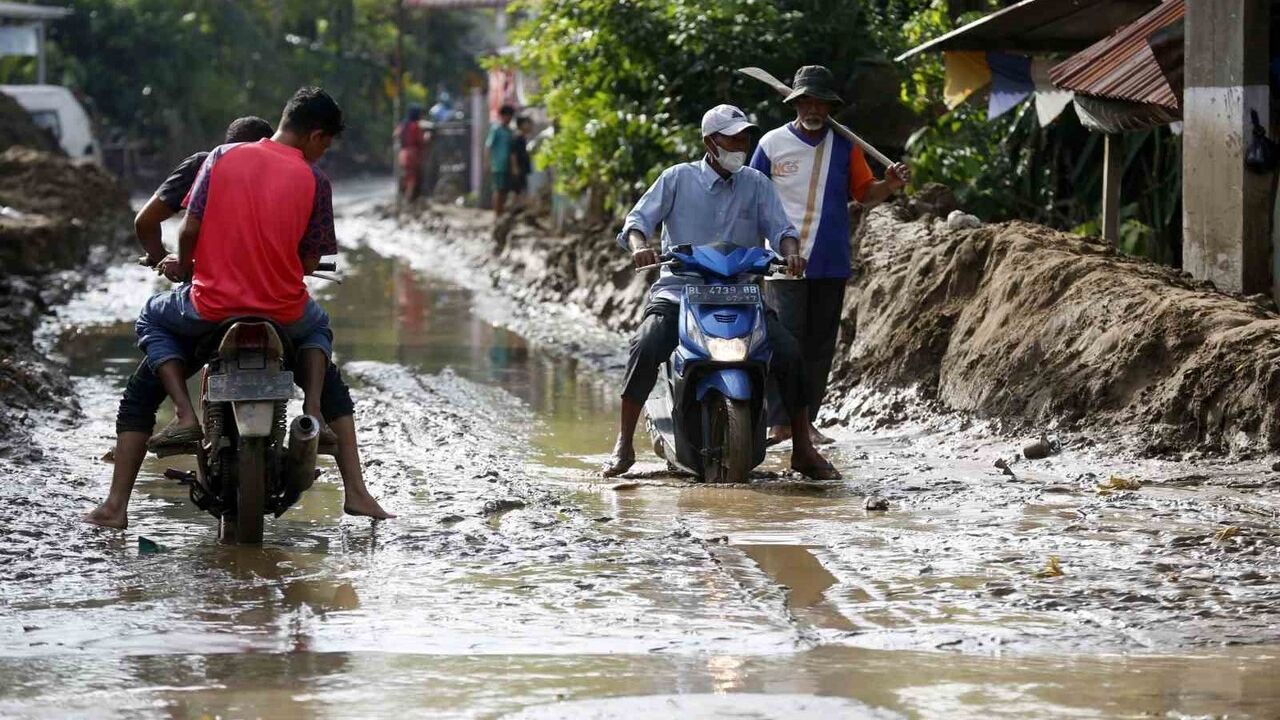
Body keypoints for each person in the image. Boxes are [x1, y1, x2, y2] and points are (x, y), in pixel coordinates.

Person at [84, 88, 394, 529]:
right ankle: (346, 471)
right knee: (320, 334)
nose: (323, 152)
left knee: (151, 328)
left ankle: (120, 500)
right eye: (326, 144)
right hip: (283, 312)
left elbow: (188, 231)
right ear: (316, 136)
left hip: (210, 307)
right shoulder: (315, 180)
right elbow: (309, 261)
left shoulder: (221, 157)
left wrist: (187, 267)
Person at [601, 104, 841, 481]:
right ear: (710, 142)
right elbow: (637, 222)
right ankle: (624, 443)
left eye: (744, 138)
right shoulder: (676, 178)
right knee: (646, 345)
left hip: (741, 294)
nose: (741, 145)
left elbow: (782, 230)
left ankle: (802, 448)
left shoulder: (756, 183)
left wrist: (792, 254)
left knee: (789, 353)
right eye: (732, 139)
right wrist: (639, 246)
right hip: (681, 292)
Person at [749, 65, 910, 446]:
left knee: (819, 347)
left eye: (820, 103)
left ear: (830, 107)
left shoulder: (845, 146)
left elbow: (865, 195)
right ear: (795, 103)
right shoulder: (771, 144)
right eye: (806, 101)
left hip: (830, 260)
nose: (813, 109)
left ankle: (805, 423)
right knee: (785, 341)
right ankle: (779, 422)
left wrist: (889, 185)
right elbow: (750, 197)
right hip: (782, 261)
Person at [485, 104, 516, 216]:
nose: (508, 118)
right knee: (498, 189)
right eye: (506, 115)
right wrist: (487, 163)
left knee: (505, 190)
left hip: (508, 165)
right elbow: (488, 146)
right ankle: (497, 214)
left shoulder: (510, 131)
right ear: (502, 116)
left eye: (510, 116)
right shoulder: (496, 129)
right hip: (498, 165)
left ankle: (501, 212)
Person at [396, 104, 427, 203]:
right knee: (412, 179)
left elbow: (396, 135)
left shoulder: (403, 125)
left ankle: (402, 198)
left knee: (404, 177)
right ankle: (407, 200)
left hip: (402, 154)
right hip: (412, 154)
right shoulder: (415, 126)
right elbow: (421, 140)